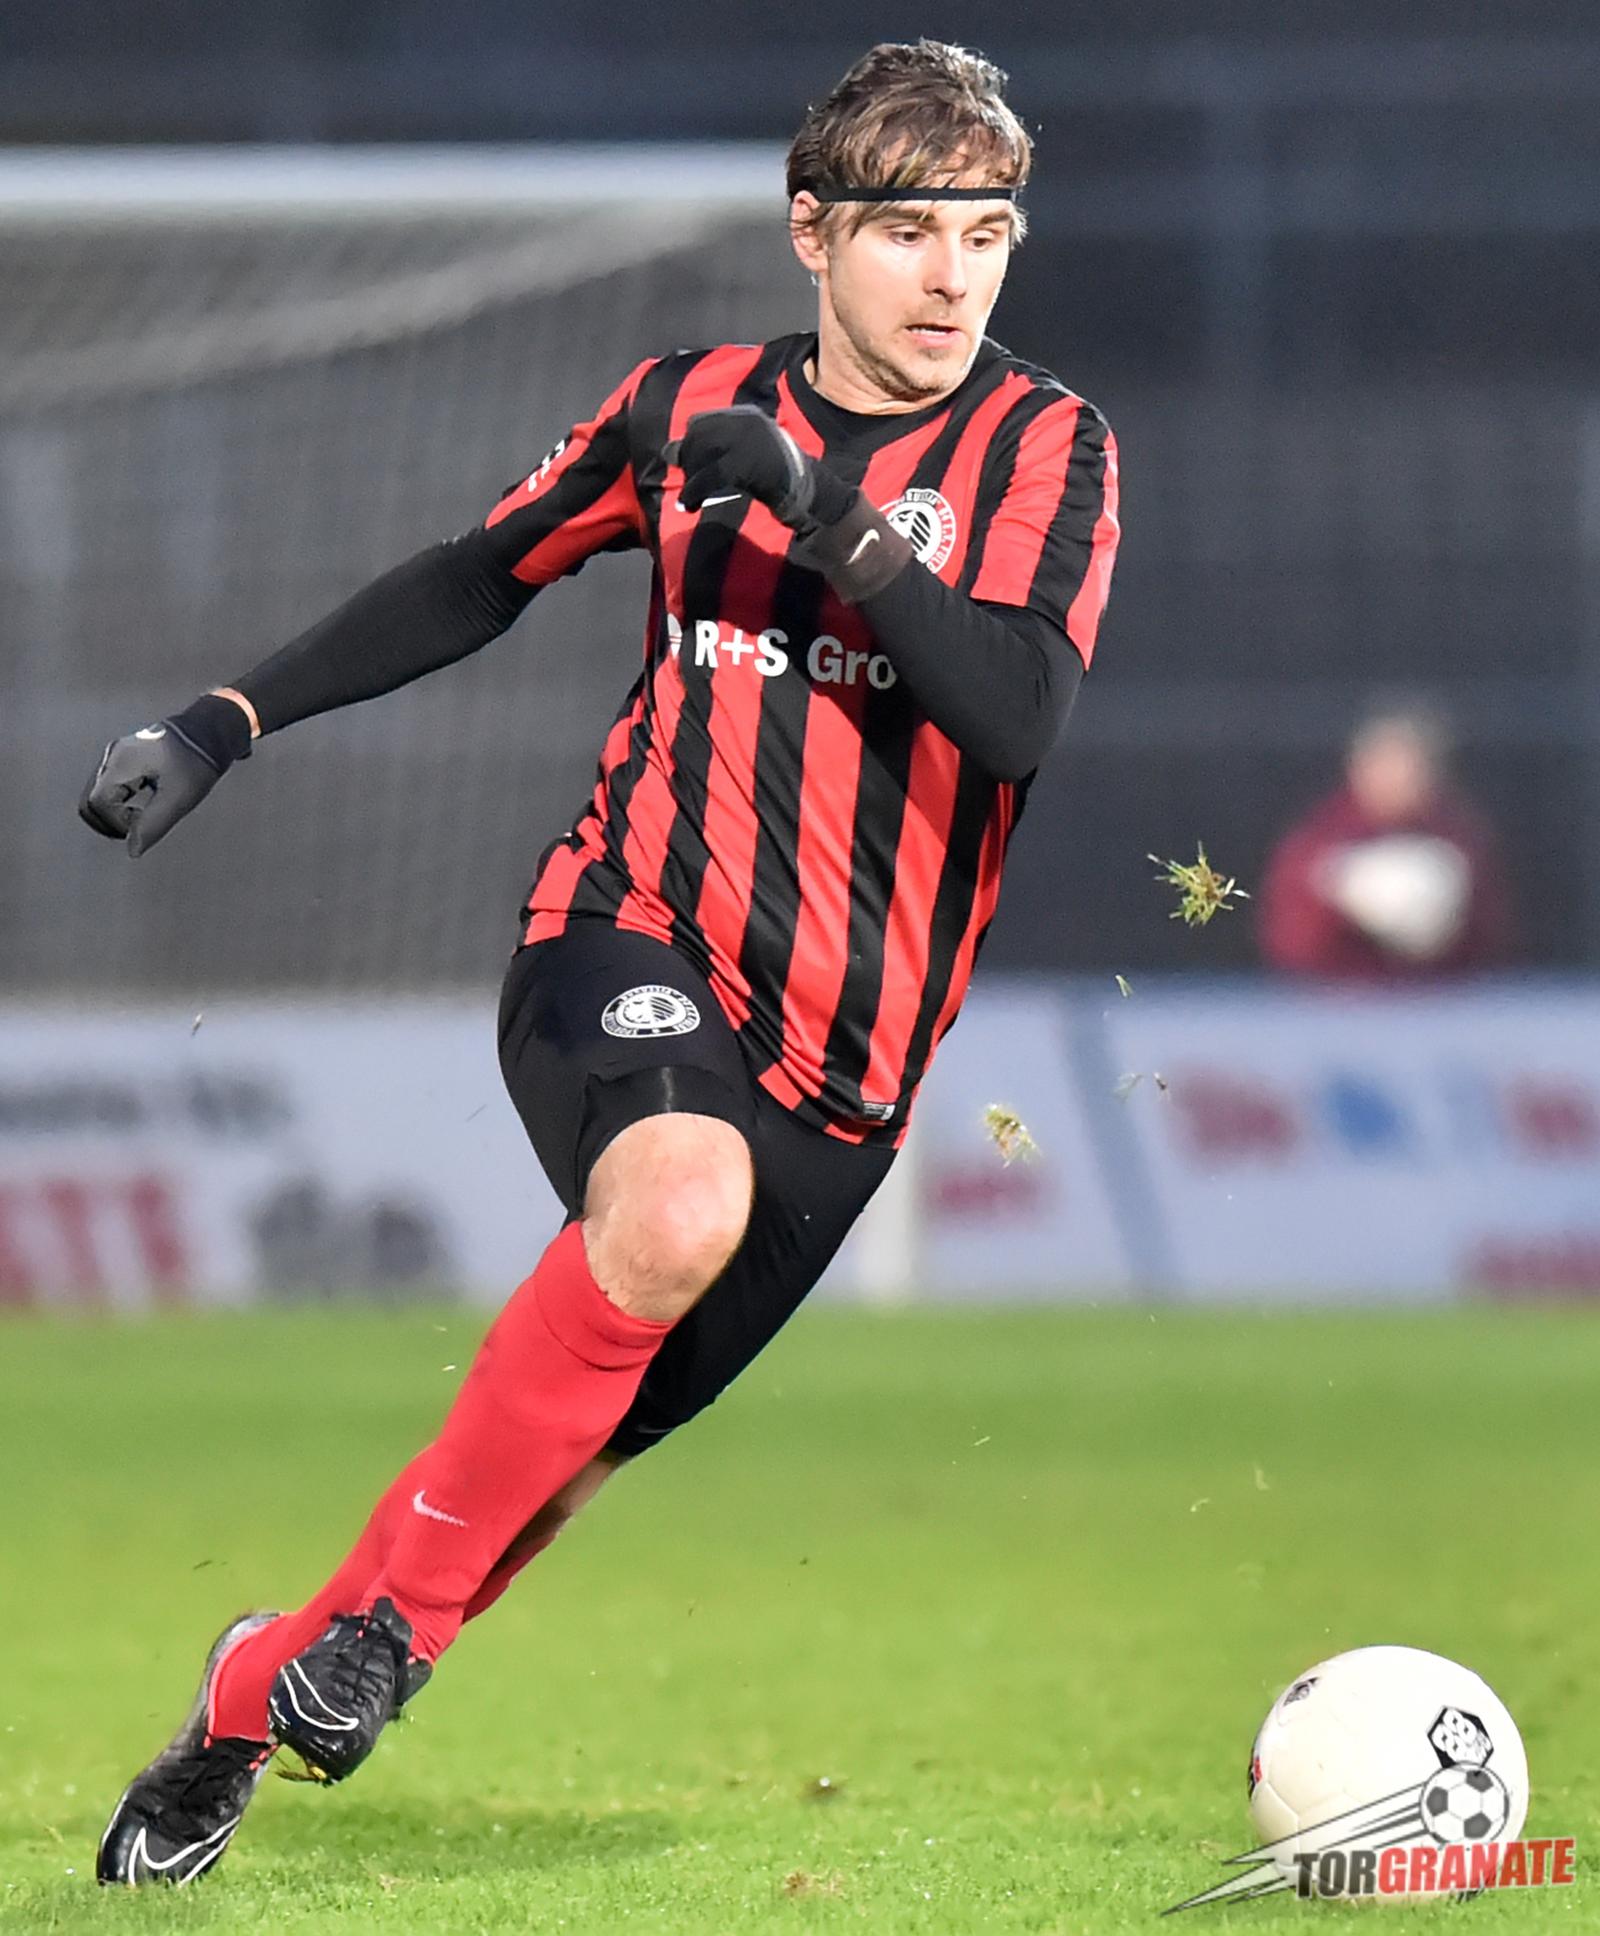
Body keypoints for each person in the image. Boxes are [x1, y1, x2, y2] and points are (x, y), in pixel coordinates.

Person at [82, 39, 1120, 1887]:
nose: (951, 276)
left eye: (986, 235)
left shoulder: (1049, 448)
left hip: (850, 1076)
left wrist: (823, 513)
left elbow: (1016, 712)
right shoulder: (683, 407)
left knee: (537, 1483)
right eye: (907, 231)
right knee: (673, 1203)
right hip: (625, 930)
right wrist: (227, 719)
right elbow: (477, 571)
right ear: (811, 233)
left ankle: (249, 1695)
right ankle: (389, 1641)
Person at [1258, 705, 1513, 980]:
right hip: (1340, 997)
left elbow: (1494, 940)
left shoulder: (1460, 839)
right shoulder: (1318, 842)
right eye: (1387, 765)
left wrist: (1446, 913)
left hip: (1438, 997)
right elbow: (1287, 943)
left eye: (1411, 767)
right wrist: (1342, 900)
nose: (1398, 778)